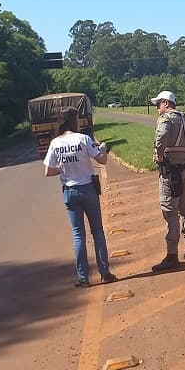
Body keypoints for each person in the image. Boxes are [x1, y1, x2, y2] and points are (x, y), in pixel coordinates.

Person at [44, 106, 117, 287]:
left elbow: (47, 171)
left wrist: (63, 168)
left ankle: (83, 278)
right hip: (88, 189)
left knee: (78, 235)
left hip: (69, 191)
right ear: (74, 120)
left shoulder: (55, 143)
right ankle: (104, 272)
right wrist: (103, 148)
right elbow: (102, 160)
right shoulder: (84, 139)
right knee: (97, 231)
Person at [149, 90, 185, 272]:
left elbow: (162, 136)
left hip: (169, 174)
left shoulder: (165, 119)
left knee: (170, 212)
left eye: (158, 104)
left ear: (165, 103)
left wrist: (158, 154)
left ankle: (172, 255)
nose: (157, 108)